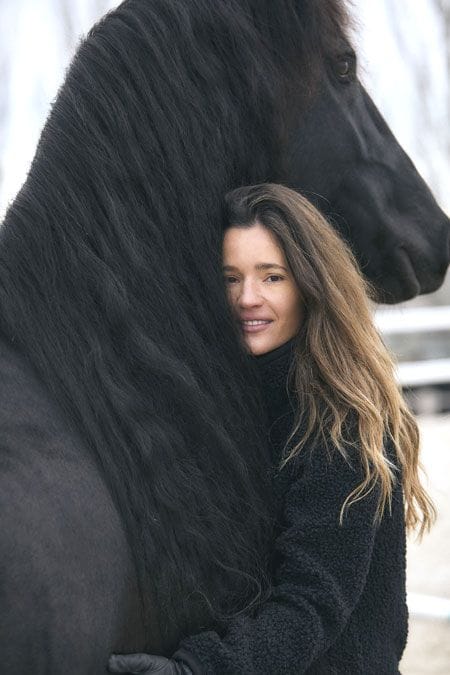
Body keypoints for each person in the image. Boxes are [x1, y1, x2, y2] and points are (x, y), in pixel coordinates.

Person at [109, 183, 435, 674]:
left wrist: (198, 671)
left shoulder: (340, 424)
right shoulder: (227, 409)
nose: (247, 298)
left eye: (272, 277)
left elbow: (310, 604)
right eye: (230, 277)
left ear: (309, 284)